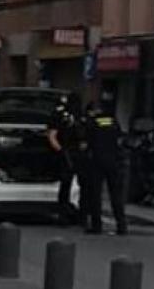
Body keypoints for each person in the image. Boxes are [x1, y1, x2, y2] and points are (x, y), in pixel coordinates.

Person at [79, 95, 127, 235]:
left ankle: (96, 225)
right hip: (114, 161)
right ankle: (121, 225)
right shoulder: (113, 122)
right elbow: (120, 140)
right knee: (116, 195)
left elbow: (85, 143)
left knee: (95, 195)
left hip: (97, 161)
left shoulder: (92, 122)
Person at [45, 95, 83, 225]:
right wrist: (62, 152)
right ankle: (67, 214)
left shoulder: (64, 114)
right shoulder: (76, 115)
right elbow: (52, 136)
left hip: (71, 153)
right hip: (70, 153)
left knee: (69, 185)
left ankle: (69, 214)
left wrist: (60, 151)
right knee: (69, 185)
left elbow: (52, 136)